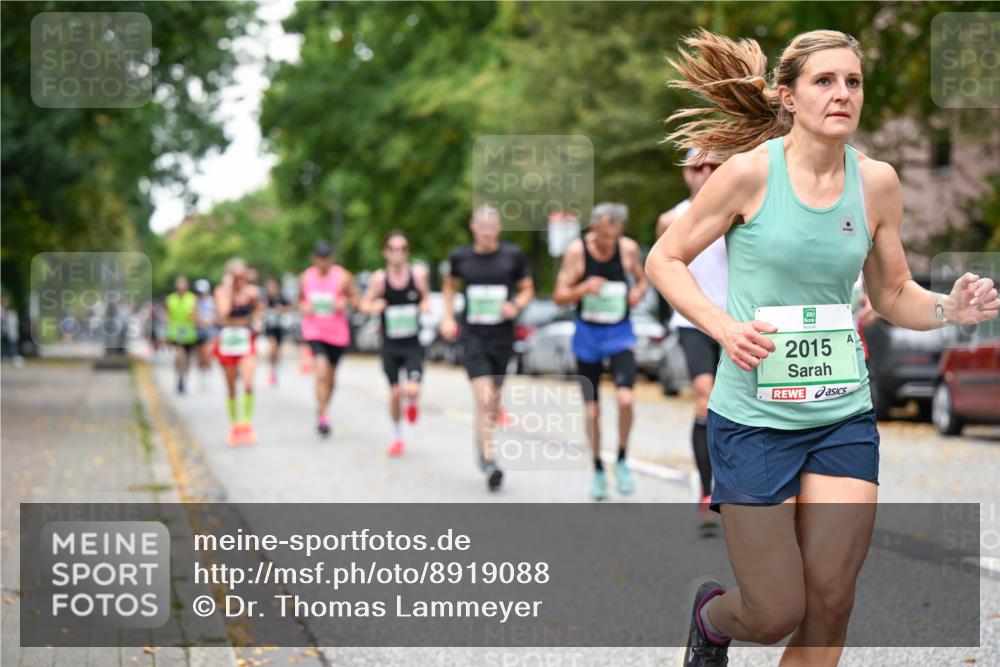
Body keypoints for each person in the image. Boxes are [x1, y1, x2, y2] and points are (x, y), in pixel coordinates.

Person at [645, 29, 998, 667]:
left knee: (831, 603)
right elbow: (665, 259)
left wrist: (948, 308)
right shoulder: (749, 174)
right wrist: (723, 327)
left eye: (853, 82)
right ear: (788, 96)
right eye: (824, 81)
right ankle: (712, 618)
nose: (842, 94)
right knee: (775, 610)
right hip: (754, 417)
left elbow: (892, 291)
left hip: (841, 415)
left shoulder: (877, 182)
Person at [553, 202, 647, 501]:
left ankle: (621, 458)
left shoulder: (628, 249)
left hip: (619, 334)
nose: (609, 243)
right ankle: (596, 467)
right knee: (592, 410)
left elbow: (643, 280)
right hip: (588, 338)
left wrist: (637, 293)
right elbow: (559, 296)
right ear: (593, 227)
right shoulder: (577, 252)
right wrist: (582, 289)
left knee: (626, 399)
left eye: (614, 236)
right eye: (605, 237)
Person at [441, 205, 534, 491]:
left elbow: (528, 288)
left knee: (492, 401)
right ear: (472, 226)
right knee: (483, 397)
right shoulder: (461, 257)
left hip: (502, 337)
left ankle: (481, 442)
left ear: (499, 227)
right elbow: (449, 285)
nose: (486, 229)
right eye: (481, 224)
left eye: (491, 223)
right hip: (473, 337)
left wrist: (515, 305)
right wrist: (447, 317)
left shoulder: (512, 256)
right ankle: (490, 460)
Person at [657, 149, 727, 526]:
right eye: (698, 167)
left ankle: (735, 487)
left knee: (734, 406)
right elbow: (664, 270)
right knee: (705, 398)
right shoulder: (671, 219)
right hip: (692, 323)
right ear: (686, 174)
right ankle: (706, 489)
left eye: (714, 165)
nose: (706, 172)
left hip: (736, 321)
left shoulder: (740, 210)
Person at [359, 231, 431, 456]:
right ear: (386, 252)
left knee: (412, 388)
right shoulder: (380, 279)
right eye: (393, 249)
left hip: (412, 343)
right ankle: (397, 436)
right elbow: (364, 305)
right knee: (395, 393)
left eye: (402, 249)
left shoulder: (417, 275)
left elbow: (426, 297)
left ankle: (412, 403)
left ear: (407, 252)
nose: (397, 253)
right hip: (390, 344)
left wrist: (425, 305)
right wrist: (375, 307)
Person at [299, 241, 359, 437]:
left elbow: (355, 299)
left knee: (331, 379)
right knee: (321, 372)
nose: (323, 262)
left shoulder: (342, 276)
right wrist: (304, 307)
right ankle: (323, 415)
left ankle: (324, 407)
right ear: (314, 258)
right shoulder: (306, 278)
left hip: (337, 334)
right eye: (319, 258)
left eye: (326, 258)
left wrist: (345, 303)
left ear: (331, 258)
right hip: (315, 332)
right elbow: (300, 301)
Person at [213, 259, 262, 446]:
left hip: (245, 338)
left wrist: (257, 320)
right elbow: (224, 313)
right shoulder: (221, 292)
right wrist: (229, 290)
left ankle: (247, 424)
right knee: (232, 387)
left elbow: (258, 311)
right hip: (227, 340)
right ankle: (234, 426)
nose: (239, 280)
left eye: (242, 276)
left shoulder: (252, 292)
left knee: (248, 384)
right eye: (236, 276)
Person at [165, 276, 198, 394]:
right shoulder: (170, 299)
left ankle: (183, 379)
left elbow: (196, 315)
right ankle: (179, 378)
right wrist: (167, 333)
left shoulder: (192, 298)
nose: (181, 287)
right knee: (179, 355)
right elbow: (168, 316)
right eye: (179, 284)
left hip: (189, 331)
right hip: (175, 331)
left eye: (183, 284)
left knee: (187, 359)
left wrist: (194, 316)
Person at [263, 277, 291, 386]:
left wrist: (281, 309)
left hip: (279, 327)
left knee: (278, 350)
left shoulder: (281, 297)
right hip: (269, 326)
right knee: (272, 347)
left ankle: (275, 370)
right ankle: (271, 370)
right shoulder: (265, 298)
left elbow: (289, 307)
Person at [193, 279, 216, 387]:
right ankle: (201, 375)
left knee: (208, 353)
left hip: (209, 330)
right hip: (198, 329)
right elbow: (193, 315)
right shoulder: (194, 301)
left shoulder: (212, 301)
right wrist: (201, 321)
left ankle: (208, 373)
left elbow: (216, 314)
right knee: (200, 355)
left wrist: (210, 321)